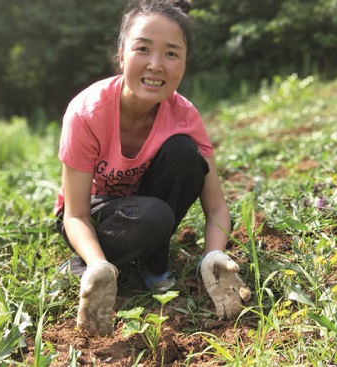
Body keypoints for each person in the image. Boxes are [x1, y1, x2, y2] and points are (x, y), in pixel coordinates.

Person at [54, 0, 250, 337]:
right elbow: (75, 214)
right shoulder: (87, 112)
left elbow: (216, 205)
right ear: (121, 55)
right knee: (153, 216)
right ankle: (90, 264)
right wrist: (99, 263)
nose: (156, 65)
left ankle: (153, 265)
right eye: (143, 49)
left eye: (172, 53)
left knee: (185, 155)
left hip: (149, 211)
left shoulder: (185, 116)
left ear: (185, 63)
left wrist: (213, 254)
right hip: (97, 218)